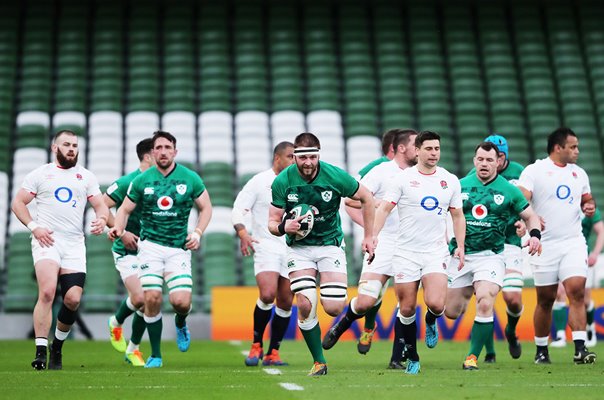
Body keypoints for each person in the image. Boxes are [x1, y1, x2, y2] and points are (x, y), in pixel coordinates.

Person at [268, 132, 376, 376]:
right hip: (299, 249)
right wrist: (285, 227)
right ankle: (319, 361)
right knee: (305, 303)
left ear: (319, 155)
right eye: (302, 157)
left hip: (330, 245)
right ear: (294, 156)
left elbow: (367, 198)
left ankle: (344, 321)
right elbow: (272, 223)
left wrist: (369, 236)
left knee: (334, 307)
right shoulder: (282, 182)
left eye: (312, 157)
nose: (308, 162)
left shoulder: (334, 175)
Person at [108, 131, 213, 368]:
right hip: (150, 248)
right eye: (159, 148)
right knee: (151, 298)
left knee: (180, 302)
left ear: (175, 151)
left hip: (178, 248)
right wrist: (118, 229)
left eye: (168, 147)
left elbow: (206, 207)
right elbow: (123, 210)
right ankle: (155, 354)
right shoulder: (141, 181)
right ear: (152, 153)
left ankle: (180, 321)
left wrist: (196, 233)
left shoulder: (190, 178)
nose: (163, 151)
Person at [366, 130, 466, 375]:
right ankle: (412, 355)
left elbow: (457, 215)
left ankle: (431, 321)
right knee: (407, 308)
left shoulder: (449, 179)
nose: (434, 154)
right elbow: (384, 209)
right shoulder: (402, 178)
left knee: (436, 303)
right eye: (429, 149)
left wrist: (460, 245)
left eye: (437, 149)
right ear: (418, 150)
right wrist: (374, 235)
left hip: (435, 252)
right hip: (405, 252)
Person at [11, 129, 110, 370]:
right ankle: (41, 351)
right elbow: (17, 202)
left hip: (74, 243)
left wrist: (102, 219)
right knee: (46, 292)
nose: (72, 149)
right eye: (66, 145)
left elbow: (101, 206)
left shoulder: (85, 177)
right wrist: (34, 227)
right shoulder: (41, 174)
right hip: (48, 240)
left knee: (73, 299)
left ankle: (57, 347)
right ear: (55, 148)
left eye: (75, 145)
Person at [325, 129, 418, 370]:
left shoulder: (425, 174)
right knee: (366, 301)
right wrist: (371, 229)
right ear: (400, 148)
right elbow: (351, 200)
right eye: (416, 145)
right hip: (384, 241)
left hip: (412, 245)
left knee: (406, 303)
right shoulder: (381, 171)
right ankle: (344, 323)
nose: (420, 150)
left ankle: (397, 358)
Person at [445, 142, 542, 370]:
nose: (484, 164)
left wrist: (534, 234)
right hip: (461, 255)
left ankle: (472, 357)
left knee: (487, 301)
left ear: (498, 162)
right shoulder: (459, 186)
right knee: (450, 312)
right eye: (480, 159)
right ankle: (467, 293)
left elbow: (531, 216)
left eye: (489, 160)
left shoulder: (509, 190)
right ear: (474, 161)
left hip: (491, 256)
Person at [517, 127, 596, 364]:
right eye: (572, 147)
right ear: (557, 147)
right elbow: (521, 198)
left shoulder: (579, 173)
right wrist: (529, 216)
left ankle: (580, 348)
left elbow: (587, 199)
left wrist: (589, 207)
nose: (577, 151)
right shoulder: (535, 170)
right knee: (546, 299)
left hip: (573, 241)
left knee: (577, 292)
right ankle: (542, 349)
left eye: (577, 146)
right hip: (545, 243)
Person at [232, 142, 295, 367]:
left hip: (292, 248)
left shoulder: (299, 182)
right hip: (266, 244)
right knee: (268, 294)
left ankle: (273, 352)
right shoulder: (259, 182)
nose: (294, 160)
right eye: (290, 156)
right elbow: (238, 209)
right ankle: (256, 344)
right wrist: (243, 233)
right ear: (277, 158)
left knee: (286, 301)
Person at [467, 134, 526, 362]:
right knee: (484, 298)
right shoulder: (475, 177)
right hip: (483, 246)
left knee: (512, 298)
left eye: (499, 157)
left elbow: (529, 203)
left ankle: (511, 331)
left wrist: (526, 224)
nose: (493, 162)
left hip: (510, 243)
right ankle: (488, 352)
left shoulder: (520, 173)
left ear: (504, 157)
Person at [104, 138, 155, 366]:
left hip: (150, 250)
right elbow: (101, 205)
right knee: (141, 297)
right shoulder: (127, 182)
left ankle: (133, 349)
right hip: (126, 250)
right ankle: (116, 323)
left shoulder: (160, 184)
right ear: (147, 156)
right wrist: (120, 231)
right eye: (159, 151)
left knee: (148, 301)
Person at [551, 207, 603, 348]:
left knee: (584, 297)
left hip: (582, 256)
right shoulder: (561, 206)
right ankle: (560, 336)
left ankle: (590, 328)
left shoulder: (589, 209)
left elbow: (601, 231)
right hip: (562, 255)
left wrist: (595, 253)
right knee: (560, 292)